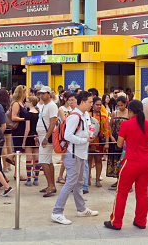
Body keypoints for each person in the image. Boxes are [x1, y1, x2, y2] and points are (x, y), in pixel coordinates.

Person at [51, 91, 99, 225]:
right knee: (71, 183)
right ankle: (57, 212)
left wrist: (87, 138)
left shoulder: (84, 115)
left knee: (78, 183)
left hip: (81, 154)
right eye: (90, 102)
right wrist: (85, 140)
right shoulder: (75, 117)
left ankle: (81, 209)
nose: (91, 104)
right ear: (82, 102)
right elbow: (68, 136)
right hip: (73, 155)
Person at [104, 100, 148, 231]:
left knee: (122, 193)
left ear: (130, 111)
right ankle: (141, 221)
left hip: (130, 162)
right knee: (142, 193)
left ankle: (116, 222)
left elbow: (119, 145)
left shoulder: (126, 124)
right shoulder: (147, 124)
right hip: (146, 162)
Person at [36, 86, 58, 197]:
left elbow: (52, 123)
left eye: (43, 93)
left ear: (49, 94)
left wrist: (46, 137)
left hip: (46, 138)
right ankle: (51, 184)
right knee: (48, 161)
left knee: (43, 161)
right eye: (40, 93)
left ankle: (51, 185)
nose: (41, 95)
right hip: (42, 137)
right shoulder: (44, 106)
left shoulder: (52, 106)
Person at [106, 96, 128, 188]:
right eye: (118, 105)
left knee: (123, 159)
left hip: (125, 139)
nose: (120, 107)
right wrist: (110, 136)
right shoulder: (114, 113)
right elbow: (110, 126)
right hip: (115, 138)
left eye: (122, 105)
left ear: (126, 104)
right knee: (115, 159)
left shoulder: (128, 113)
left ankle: (124, 180)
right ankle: (118, 179)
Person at [6, 85, 27, 177]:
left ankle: (16, 170)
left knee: (19, 152)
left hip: (22, 129)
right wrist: (24, 119)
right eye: (24, 92)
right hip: (18, 129)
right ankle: (16, 172)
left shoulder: (21, 103)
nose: (26, 94)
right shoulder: (16, 104)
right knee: (18, 151)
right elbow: (13, 117)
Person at [88, 97, 110, 188]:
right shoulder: (88, 115)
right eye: (97, 104)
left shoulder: (105, 116)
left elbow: (107, 130)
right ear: (92, 105)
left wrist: (107, 143)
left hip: (99, 141)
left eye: (100, 105)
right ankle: (88, 178)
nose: (99, 106)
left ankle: (97, 179)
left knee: (98, 160)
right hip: (88, 141)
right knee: (88, 160)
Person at [56, 91, 76, 184]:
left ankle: (68, 175)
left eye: (72, 99)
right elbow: (64, 121)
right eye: (69, 99)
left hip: (73, 133)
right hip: (65, 134)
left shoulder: (74, 109)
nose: (70, 101)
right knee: (65, 156)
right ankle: (60, 175)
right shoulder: (61, 109)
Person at [23, 96, 40, 186]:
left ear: (31, 103)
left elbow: (27, 129)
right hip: (37, 136)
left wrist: (24, 140)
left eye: (27, 101)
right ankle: (36, 178)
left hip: (29, 137)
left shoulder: (28, 114)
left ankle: (29, 179)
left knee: (28, 159)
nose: (26, 103)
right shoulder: (38, 113)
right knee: (37, 158)